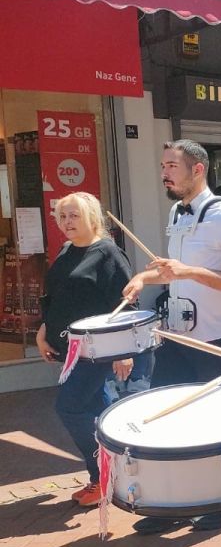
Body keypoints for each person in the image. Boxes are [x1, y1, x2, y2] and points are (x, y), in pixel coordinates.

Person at [122, 139, 221, 533]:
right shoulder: (177, 212)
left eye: (172, 166)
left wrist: (189, 272)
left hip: (219, 336)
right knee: (172, 419)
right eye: (163, 165)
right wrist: (143, 278)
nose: (164, 173)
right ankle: (176, 504)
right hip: (179, 335)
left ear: (197, 169)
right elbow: (174, 270)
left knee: (219, 423)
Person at [35, 193, 136, 508]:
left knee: (70, 408)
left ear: (92, 216)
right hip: (69, 350)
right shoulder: (67, 250)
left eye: (74, 215)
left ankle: (104, 473)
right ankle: (112, 476)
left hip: (97, 351)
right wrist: (43, 331)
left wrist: (124, 350)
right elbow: (57, 298)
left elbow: (126, 305)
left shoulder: (107, 254)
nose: (67, 222)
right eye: (63, 216)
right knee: (102, 413)